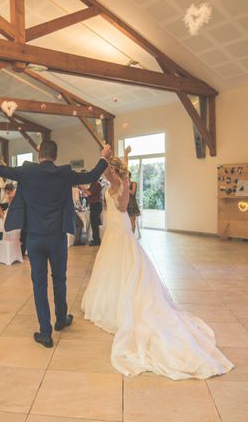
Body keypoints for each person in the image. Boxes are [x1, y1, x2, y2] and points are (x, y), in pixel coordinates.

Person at [81, 154, 234, 380]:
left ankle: (122, 307)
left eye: (106, 169)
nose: (102, 172)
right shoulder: (110, 185)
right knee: (111, 271)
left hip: (120, 232)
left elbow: (118, 197)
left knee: (125, 269)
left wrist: (106, 159)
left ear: (111, 171)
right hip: (112, 233)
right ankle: (109, 304)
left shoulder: (119, 184)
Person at [0, 140, 110, 348]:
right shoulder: (65, 173)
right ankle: (61, 319)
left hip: (35, 238)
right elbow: (92, 176)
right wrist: (104, 156)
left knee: (39, 284)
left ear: (39, 153)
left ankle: (45, 333)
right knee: (59, 279)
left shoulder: (27, 171)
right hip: (57, 238)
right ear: (56, 155)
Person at [84, 177, 103, 246]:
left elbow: (88, 193)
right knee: (94, 222)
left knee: (95, 223)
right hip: (95, 205)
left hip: (96, 205)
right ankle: (96, 239)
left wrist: (82, 187)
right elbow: (87, 192)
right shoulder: (93, 184)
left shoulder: (96, 184)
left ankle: (97, 240)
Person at [127, 170, 141, 234]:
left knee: (132, 220)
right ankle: (127, 236)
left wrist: (125, 188)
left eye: (127, 176)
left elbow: (133, 193)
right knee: (125, 221)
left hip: (132, 204)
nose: (126, 177)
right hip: (125, 204)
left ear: (130, 176)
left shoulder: (133, 183)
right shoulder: (122, 184)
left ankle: (132, 236)